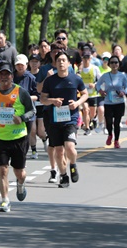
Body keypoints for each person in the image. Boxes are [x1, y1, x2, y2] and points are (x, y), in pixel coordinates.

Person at [0, 62, 35, 212]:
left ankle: (20, 184)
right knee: (3, 170)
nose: (4, 77)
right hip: (1, 137)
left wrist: (21, 118)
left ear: (12, 76)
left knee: (19, 172)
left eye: (7, 74)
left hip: (18, 138)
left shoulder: (21, 92)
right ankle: (5, 200)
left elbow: (32, 111)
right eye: (1, 74)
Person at [40, 50, 88, 188]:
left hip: (71, 118)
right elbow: (42, 99)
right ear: (55, 63)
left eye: (63, 60)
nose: (61, 63)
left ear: (68, 63)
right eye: (58, 60)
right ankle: (63, 176)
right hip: (54, 119)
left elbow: (85, 94)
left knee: (70, 147)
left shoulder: (76, 79)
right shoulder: (50, 80)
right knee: (59, 151)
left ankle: (72, 164)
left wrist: (77, 103)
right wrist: (52, 101)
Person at [96, 56, 127, 148]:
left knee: (117, 122)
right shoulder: (105, 75)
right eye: (112, 62)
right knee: (109, 121)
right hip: (108, 102)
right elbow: (98, 84)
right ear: (109, 64)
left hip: (119, 102)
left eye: (116, 62)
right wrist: (101, 91)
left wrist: (124, 92)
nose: (114, 64)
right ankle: (110, 134)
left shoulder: (122, 75)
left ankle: (116, 141)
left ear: (119, 64)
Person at [13, 54, 39, 159]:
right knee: (14, 135)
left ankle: (22, 156)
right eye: (17, 65)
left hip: (28, 111)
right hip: (14, 111)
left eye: (22, 65)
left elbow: (37, 96)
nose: (20, 67)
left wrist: (25, 98)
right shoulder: (11, 77)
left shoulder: (31, 78)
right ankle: (15, 155)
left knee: (25, 136)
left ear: (26, 65)